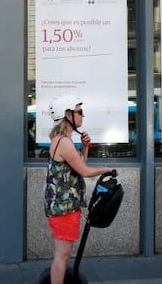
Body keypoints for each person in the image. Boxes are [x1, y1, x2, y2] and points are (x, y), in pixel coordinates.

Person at [45, 95, 114, 284]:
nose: (82, 116)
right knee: (62, 256)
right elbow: (84, 171)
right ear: (67, 115)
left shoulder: (62, 140)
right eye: (79, 112)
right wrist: (107, 169)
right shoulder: (64, 142)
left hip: (64, 206)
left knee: (63, 255)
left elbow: (78, 166)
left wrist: (85, 148)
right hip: (63, 208)